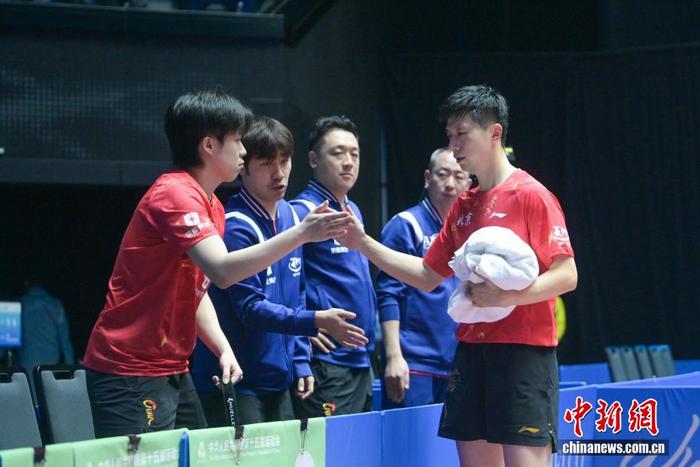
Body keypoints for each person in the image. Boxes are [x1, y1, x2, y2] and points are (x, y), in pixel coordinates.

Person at [82, 91, 354, 438]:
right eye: (237, 140)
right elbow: (222, 271)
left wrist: (222, 348)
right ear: (209, 146)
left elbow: (197, 291)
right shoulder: (174, 194)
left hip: (172, 367)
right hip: (128, 370)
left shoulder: (212, 206)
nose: (243, 150)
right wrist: (301, 234)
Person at [338, 85, 577, 467]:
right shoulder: (463, 206)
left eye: (462, 133)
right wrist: (362, 242)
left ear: (495, 133)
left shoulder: (531, 194)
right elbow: (425, 275)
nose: (453, 145)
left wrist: (507, 297)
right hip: (470, 353)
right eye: (449, 135)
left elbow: (566, 275)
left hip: (524, 354)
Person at [191, 116, 367, 425]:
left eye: (284, 161)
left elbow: (297, 292)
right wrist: (315, 320)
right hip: (237, 379)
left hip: (279, 379)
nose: (279, 173)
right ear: (243, 167)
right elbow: (250, 308)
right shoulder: (235, 225)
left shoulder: (290, 216)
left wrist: (300, 361)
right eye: (266, 164)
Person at [290, 115, 377, 417]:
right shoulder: (302, 212)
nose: (348, 162)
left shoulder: (352, 209)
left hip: (361, 358)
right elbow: (286, 284)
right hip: (327, 362)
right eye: (338, 153)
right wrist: (301, 329)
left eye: (354, 154)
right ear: (313, 159)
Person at [377, 148, 469, 408]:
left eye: (459, 177)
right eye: (443, 174)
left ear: (468, 184)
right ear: (428, 178)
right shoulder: (405, 225)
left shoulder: (467, 230)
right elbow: (388, 294)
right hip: (413, 365)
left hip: (457, 363)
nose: (450, 184)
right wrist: (394, 356)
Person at [19, 279, 75, 393]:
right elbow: (65, 339)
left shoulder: (21, 303)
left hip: (28, 357)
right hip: (51, 358)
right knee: (48, 395)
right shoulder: (55, 304)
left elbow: (11, 334)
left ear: (26, 283)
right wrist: (71, 367)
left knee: (31, 395)